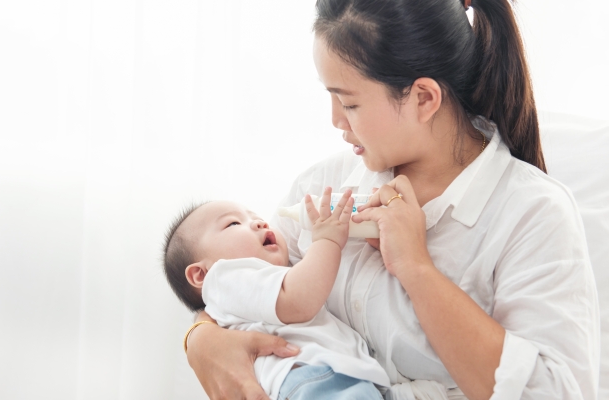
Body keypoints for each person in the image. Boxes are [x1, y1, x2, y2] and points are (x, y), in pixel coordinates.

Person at [185, 0, 600, 399]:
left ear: (423, 98)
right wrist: (200, 337)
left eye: (349, 102)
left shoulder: (533, 214)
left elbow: (551, 392)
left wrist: (417, 269)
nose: (335, 119)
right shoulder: (323, 183)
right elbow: (251, 283)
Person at [163, 189, 393, 400]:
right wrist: (327, 240)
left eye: (255, 217)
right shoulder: (223, 277)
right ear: (200, 275)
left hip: (330, 379)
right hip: (312, 379)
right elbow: (298, 301)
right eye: (233, 224)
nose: (260, 223)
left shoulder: (260, 283)